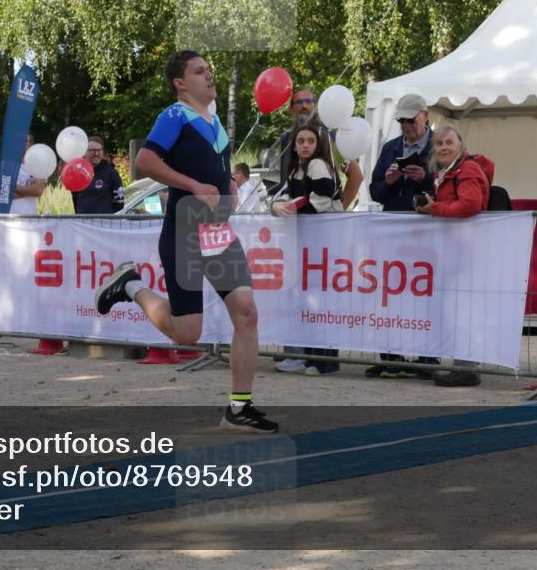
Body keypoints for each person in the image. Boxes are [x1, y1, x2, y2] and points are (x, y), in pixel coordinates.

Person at [95, 50, 277, 434]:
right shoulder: (174, 115)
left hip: (217, 233)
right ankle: (129, 285)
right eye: (200, 71)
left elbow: (218, 173)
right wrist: (193, 185)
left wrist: (227, 184)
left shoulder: (217, 125)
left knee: (247, 312)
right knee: (187, 333)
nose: (209, 76)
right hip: (184, 231)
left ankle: (238, 409)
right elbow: (144, 161)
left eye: (209, 69)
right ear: (181, 83)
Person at [415, 124, 494, 387]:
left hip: (467, 249)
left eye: (449, 142)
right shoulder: (448, 171)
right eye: (439, 144)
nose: (444, 147)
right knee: (458, 308)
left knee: (464, 308)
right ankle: (464, 365)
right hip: (457, 248)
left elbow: (470, 205)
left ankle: (466, 367)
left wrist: (435, 208)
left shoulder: (468, 168)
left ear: (460, 145)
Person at [367, 92, 439, 378]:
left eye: (411, 119)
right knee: (390, 293)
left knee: (427, 294)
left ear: (425, 115)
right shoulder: (389, 148)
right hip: (393, 232)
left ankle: (428, 359)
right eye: (402, 120)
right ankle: (391, 357)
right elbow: (374, 190)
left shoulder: (441, 145)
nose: (406, 125)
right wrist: (389, 180)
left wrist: (426, 179)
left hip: (428, 233)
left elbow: (449, 188)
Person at [271, 123, 341, 376]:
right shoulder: (297, 169)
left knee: (320, 300)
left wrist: (288, 208)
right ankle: (309, 357)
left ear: (317, 144)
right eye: (300, 141)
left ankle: (325, 362)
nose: (305, 145)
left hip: (322, 240)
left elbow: (319, 204)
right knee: (308, 300)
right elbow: (290, 197)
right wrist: (278, 205)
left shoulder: (318, 166)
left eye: (310, 141)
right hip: (307, 242)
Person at [275, 87, 363, 208]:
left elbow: (356, 175)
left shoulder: (329, 136)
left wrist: (340, 210)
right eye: (299, 102)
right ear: (291, 109)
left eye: (308, 101)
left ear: (315, 105)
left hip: (322, 218)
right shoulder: (287, 139)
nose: (304, 106)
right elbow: (286, 181)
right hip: (292, 217)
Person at [0, 132, 45, 215]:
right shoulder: (2, 166)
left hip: (30, 220)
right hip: (7, 221)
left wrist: (11, 187)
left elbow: (38, 190)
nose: (25, 143)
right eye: (22, 140)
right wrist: (29, 191)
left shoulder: (37, 166)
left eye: (28, 141)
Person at [72, 136, 125, 214]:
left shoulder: (111, 173)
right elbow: (75, 199)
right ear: (85, 152)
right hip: (82, 223)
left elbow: (119, 203)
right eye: (92, 150)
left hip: (103, 224)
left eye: (99, 150)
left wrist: (110, 219)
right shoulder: (78, 172)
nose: (96, 153)